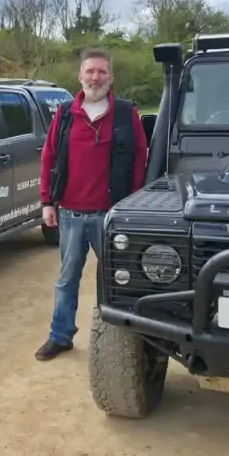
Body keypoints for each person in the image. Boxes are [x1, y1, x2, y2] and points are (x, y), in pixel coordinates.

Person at [35, 47, 149, 361]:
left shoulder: (127, 114)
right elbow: (49, 158)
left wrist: (135, 201)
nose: (95, 77)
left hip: (111, 217)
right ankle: (60, 337)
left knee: (118, 279)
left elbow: (141, 156)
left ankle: (125, 340)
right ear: (80, 76)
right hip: (70, 215)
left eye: (101, 71)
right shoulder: (65, 114)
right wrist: (47, 202)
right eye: (90, 71)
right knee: (67, 279)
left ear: (110, 77)